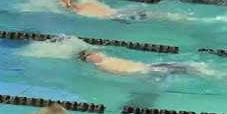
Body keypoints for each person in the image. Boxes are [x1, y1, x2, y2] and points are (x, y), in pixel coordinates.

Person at [77, 49, 205, 77]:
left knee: (187, 68)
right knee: (187, 69)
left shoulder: (105, 60)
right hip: (149, 70)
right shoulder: (103, 65)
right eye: (90, 55)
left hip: (149, 68)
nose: (94, 54)